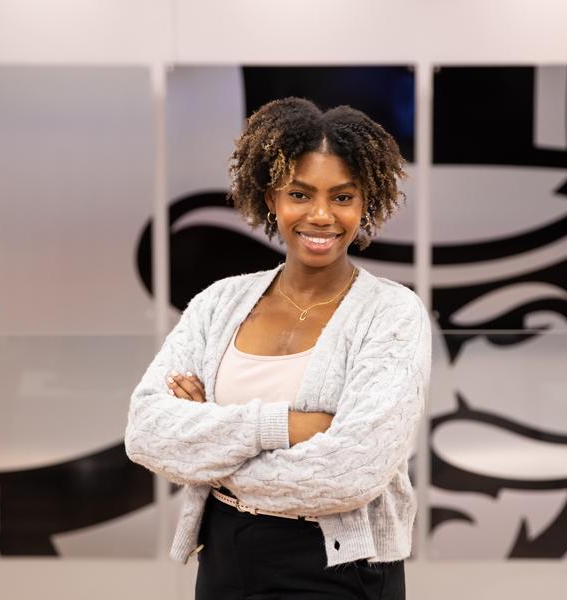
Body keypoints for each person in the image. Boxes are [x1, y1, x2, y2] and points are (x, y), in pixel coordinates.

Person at [124, 97, 431, 599]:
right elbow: (146, 432)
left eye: (343, 197)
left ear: (365, 203)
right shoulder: (219, 303)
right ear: (271, 197)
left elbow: (352, 473)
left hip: (339, 569)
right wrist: (285, 426)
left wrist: (212, 446)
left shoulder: (391, 314)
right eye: (299, 193)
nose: (321, 215)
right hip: (225, 559)